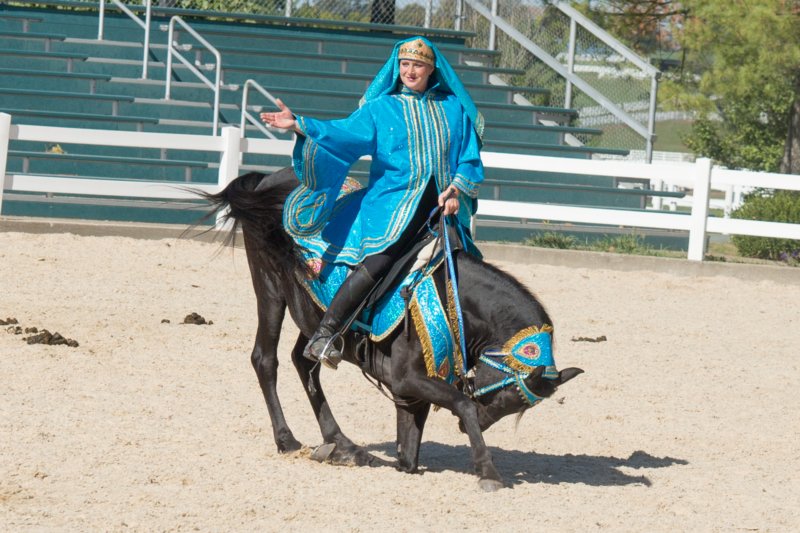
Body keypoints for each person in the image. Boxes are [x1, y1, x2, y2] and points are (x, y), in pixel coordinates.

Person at [260, 35, 485, 370]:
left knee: (469, 266)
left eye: (418, 65)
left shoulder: (453, 109)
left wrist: (455, 190)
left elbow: (469, 159)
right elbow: (342, 133)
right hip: (391, 209)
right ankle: (328, 333)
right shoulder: (382, 109)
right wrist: (300, 125)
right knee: (380, 262)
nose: (411, 71)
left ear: (432, 68)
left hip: (441, 210)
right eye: (405, 64)